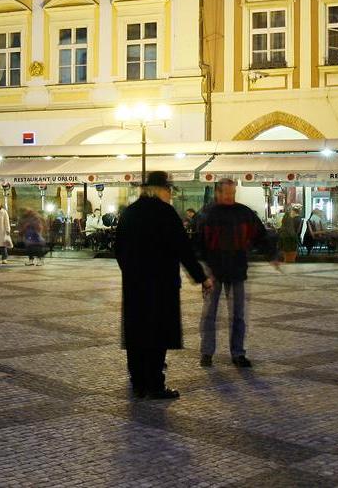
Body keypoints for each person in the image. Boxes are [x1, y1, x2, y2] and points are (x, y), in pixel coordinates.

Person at [115, 171, 211, 400]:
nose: (171, 195)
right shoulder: (166, 213)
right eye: (169, 190)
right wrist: (201, 277)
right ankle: (155, 385)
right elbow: (183, 249)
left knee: (137, 332)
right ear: (159, 190)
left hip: (135, 286)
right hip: (161, 285)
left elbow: (118, 249)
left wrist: (130, 272)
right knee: (158, 334)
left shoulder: (130, 213)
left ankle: (138, 382)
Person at [192, 177, 271, 369]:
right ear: (218, 193)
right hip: (214, 272)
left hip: (237, 271)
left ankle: (238, 353)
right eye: (227, 193)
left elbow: (261, 235)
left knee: (238, 315)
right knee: (209, 315)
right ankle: (207, 352)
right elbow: (197, 244)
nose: (230, 196)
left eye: (233, 193)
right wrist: (203, 273)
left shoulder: (244, 213)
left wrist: (272, 253)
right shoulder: (206, 214)